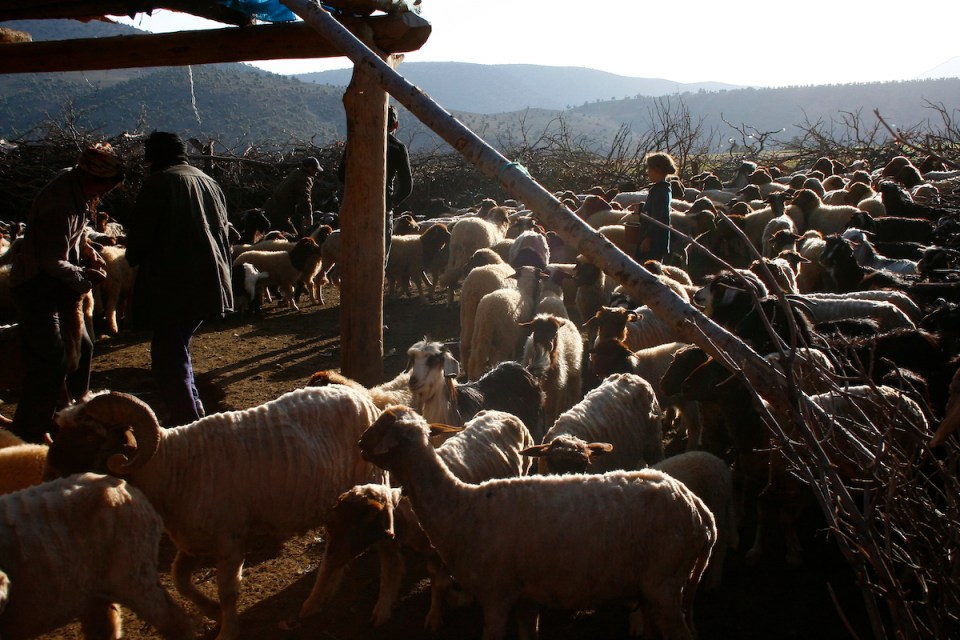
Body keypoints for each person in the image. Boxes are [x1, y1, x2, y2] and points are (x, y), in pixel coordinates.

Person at [8, 143, 125, 443]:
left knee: (83, 347)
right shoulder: (59, 203)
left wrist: (87, 250)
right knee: (51, 360)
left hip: (59, 286)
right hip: (37, 288)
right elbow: (51, 260)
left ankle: (71, 417)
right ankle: (29, 432)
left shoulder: (77, 190)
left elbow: (75, 232)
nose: (105, 193)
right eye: (106, 186)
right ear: (93, 177)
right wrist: (85, 276)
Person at [125, 131, 234, 427]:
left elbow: (139, 239)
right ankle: (193, 408)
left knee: (167, 356)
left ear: (153, 158)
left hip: (175, 283)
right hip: (211, 280)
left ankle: (186, 420)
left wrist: (133, 257)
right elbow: (223, 231)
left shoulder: (160, 183)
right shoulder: (208, 181)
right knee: (177, 348)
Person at [338, 104, 413, 262]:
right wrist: (391, 202)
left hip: (356, 208)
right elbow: (407, 186)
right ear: (395, 125)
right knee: (378, 259)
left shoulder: (356, 141)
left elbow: (341, 175)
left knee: (355, 258)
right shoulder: (398, 147)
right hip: (382, 209)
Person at [634, 151, 677, 264]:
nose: (647, 172)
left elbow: (657, 218)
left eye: (649, 169)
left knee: (648, 269)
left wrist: (648, 239)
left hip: (654, 243)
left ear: (656, 169)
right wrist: (642, 208)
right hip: (659, 240)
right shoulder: (663, 189)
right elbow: (657, 211)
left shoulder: (659, 191)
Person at [263, 155, 322, 235]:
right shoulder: (304, 178)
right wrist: (308, 215)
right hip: (279, 213)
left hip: (271, 208)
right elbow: (305, 198)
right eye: (315, 170)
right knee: (292, 237)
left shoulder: (296, 173)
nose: (316, 173)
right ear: (310, 168)